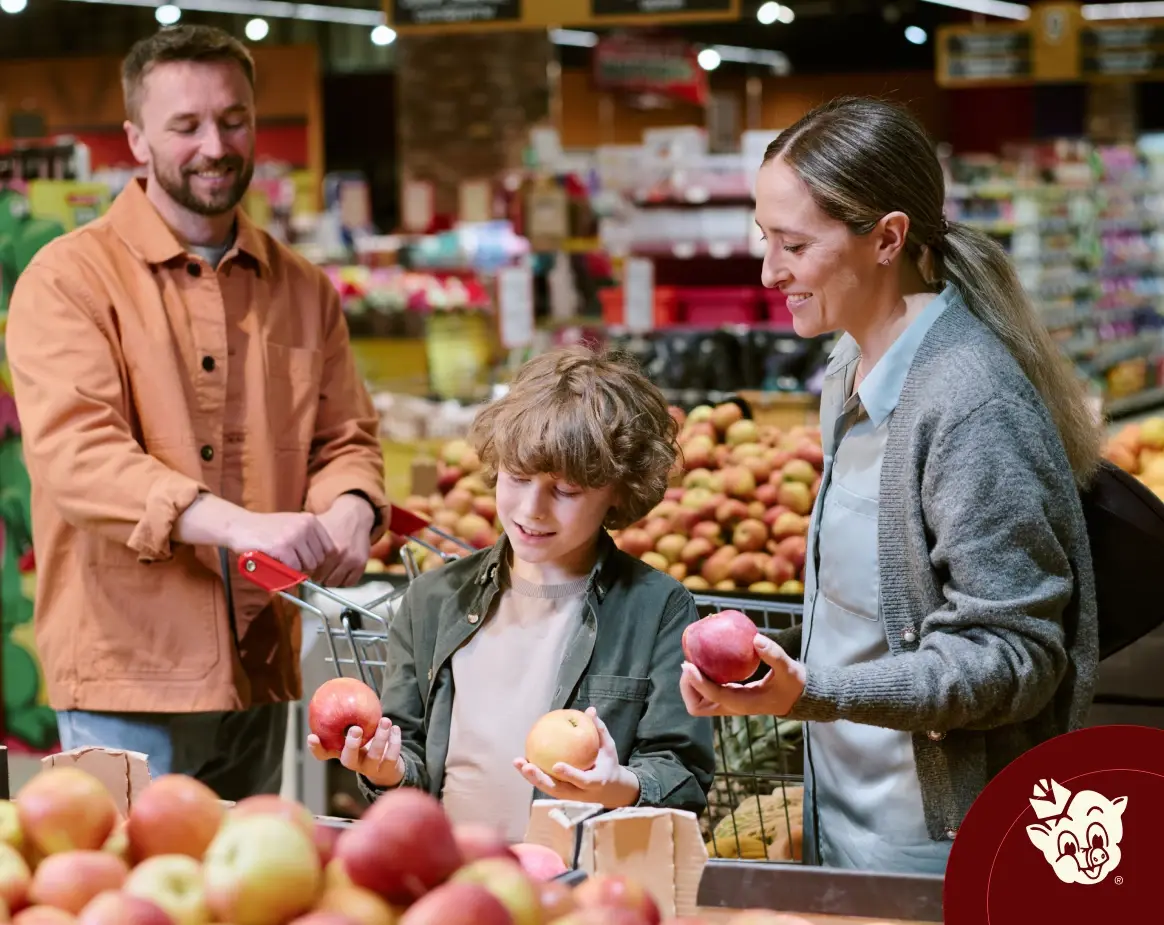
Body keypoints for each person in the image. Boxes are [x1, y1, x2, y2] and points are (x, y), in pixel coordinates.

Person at [680, 97, 1102, 875]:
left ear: (888, 238)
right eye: (764, 238)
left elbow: (1014, 654)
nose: (769, 271)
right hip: (849, 823)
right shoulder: (848, 369)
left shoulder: (970, 404)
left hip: (937, 850)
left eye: (795, 245)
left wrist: (814, 690)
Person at [5, 25, 387, 799]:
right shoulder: (68, 279)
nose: (215, 145)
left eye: (234, 119)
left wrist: (350, 501)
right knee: (129, 907)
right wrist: (237, 523)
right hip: (125, 670)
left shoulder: (303, 288)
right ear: (137, 141)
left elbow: (344, 436)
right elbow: (78, 458)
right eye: (186, 126)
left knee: (252, 900)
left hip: (260, 661)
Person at [309, 346, 716, 842]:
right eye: (517, 478)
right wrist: (384, 769)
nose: (531, 509)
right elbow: (409, 756)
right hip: (453, 878)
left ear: (619, 489)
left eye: (565, 491)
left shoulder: (657, 609)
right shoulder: (433, 599)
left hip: (581, 888)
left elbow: (683, 776)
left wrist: (620, 785)